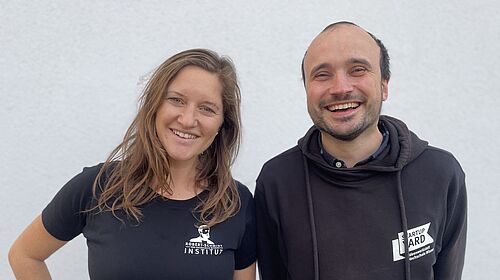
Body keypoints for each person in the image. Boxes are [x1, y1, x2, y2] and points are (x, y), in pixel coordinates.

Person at [9, 49, 256, 280]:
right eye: (177, 100)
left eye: (207, 108)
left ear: (223, 124)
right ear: (154, 105)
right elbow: (25, 255)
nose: (188, 119)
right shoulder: (99, 186)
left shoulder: (235, 203)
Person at [255, 21, 467, 280]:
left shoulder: (440, 174)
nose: (341, 88)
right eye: (322, 74)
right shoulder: (277, 181)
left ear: (384, 85)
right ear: (307, 90)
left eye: (357, 70)